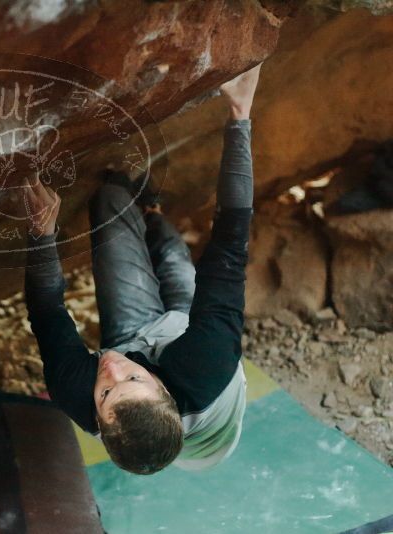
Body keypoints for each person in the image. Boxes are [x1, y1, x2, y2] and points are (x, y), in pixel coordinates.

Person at [23, 64, 262, 474]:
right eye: (132, 381)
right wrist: (240, 117)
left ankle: (128, 197)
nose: (111, 369)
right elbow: (229, 245)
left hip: (136, 337)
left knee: (110, 201)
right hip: (196, 366)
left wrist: (40, 234)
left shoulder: (75, 390)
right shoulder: (206, 362)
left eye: (105, 393)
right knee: (171, 256)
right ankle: (152, 211)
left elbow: (46, 312)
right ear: (162, 387)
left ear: (95, 415)